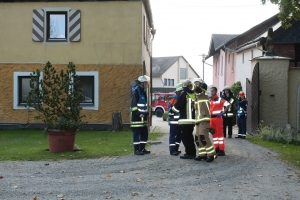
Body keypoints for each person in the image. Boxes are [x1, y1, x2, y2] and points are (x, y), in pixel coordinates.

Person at [171, 79, 200, 159]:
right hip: (192, 120)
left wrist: (171, 110)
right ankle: (193, 152)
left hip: (185, 120)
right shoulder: (193, 94)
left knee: (185, 138)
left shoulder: (185, 94)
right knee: (190, 137)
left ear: (185, 85)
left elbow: (178, 106)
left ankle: (189, 153)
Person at [193, 78, 216, 162]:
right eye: (194, 83)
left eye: (197, 83)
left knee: (204, 137)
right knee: (198, 138)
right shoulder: (197, 96)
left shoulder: (203, 92)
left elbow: (196, 89)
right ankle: (202, 154)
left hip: (204, 119)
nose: (195, 84)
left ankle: (212, 154)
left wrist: (189, 85)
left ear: (202, 85)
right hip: (199, 120)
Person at [130, 75, 150, 155]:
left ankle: (142, 148)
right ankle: (136, 150)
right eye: (145, 83)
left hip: (143, 117)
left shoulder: (143, 91)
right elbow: (133, 105)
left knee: (144, 133)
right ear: (141, 83)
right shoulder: (136, 91)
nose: (146, 84)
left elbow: (144, 105)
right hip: (137, 117)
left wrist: (147, 114)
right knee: (137, 134)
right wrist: (139, 114)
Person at [209, 86, 230, 156]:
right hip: (212, 119)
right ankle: (216, 148)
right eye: (210, 91)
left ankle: (221, 150)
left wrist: (223, 112)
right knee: (214, 134)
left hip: (218, 118)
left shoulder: (219, 99)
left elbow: (228, 104)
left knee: (220, 134)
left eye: (212, 91)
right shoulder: (210, 100)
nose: (211, 92)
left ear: (215, 91)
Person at [168, 83, 183, 156]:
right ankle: (172, 150)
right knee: (173, 135)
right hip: (174, 120)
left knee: (179, 135)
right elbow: (170, 109)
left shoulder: (180, 97)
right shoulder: (174, 98)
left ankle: (176, 148)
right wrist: (172, 117)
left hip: (179, 120)